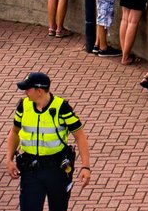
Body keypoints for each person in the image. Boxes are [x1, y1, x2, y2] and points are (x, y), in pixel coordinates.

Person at [7, 71, 93, 211]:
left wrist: (86, 166)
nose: (25, 93)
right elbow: (15, 132)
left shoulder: (62, 108)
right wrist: (9, 159)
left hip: (56, 170)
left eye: (28, 89)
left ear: (39, 91)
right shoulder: (23, 106)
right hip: (31, 169)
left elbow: (80, 136)